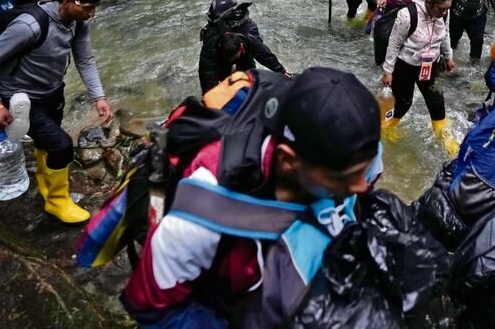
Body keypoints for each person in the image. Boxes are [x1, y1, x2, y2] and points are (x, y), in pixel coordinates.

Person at [122, 67, 382, 327]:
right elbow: (151, 307)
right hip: (221, 301)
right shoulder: (202, 212)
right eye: (346, 177)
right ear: (287, 161)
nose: (362, 186)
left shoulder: (355, 153)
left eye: (366, 171)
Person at [0, 0, 113, 223]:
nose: (92, 14)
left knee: (45, 144)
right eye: (89, 8)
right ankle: (57, 202)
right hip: (20, 97)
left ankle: (46, 186)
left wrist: (98, 97)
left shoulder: (77, 23)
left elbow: (84, 59)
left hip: (52, 91)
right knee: (61, 146)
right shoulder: (30, 26)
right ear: (68, 1)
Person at [380, 0, 458, 153]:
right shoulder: (407, 15)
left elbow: (446, 34)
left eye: (447, 8)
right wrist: (388, 71)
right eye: (440, 8)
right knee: (403, 102)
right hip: (405, 65)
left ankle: (444, 138)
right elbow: (393, 44)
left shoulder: (444, 13)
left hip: (430, 64)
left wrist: (448, 56)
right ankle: (388, 127)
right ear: (428, 2)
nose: (444, 12)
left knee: (437, 103)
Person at [197, 0, 290, 92]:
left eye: (233, 56)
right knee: (224, 80)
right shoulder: (212, 38)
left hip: (243, 52)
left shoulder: (248, 32)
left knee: (249, 76)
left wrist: (281, 71)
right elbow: (207, 71)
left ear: (241, 46)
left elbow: (262, 53)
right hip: (222, 53)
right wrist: (208, 94)